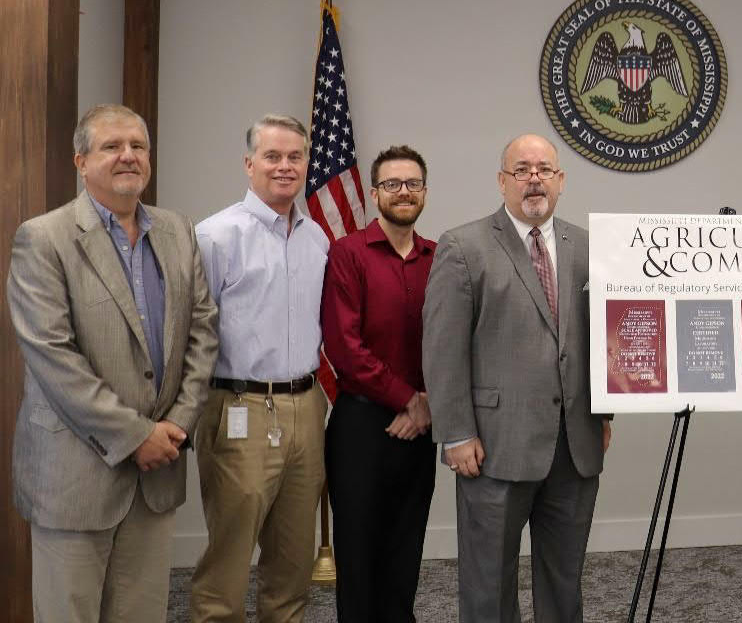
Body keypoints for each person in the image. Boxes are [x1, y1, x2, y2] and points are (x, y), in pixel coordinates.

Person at [7, 104, 218, 622]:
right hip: (75, 477)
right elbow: (54, 357)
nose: (128, 156)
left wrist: (176, 424)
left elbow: (203, 332)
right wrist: (136, 436)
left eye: (138, 146)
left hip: (158, 472)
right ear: (81, 161)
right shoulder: (44, 237)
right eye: (112, 146)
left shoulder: (178, 231)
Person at [423, 133, 611, 623]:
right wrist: (455, 432)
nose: (534, 179)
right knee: (488, 583)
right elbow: (442, 351)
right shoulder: (463, 247)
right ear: (502, 181)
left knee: (565, 580)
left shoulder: (588, 247)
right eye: (522, 169)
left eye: (544, 169)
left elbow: (601, 338)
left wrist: (603, 412)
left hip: (574, 445)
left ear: (561, 180)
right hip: (493, 446)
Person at [191, 114, 330, 623]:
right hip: (239, 407)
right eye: (272, 156)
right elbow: (190, 332)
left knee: (292, 560)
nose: (284, 166)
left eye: (295, 156)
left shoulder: (317, 239)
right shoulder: (215, 236)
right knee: (229, 558)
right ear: (249, 164)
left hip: (306, 407)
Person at [321, 145, 437, 622]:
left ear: (424, 192)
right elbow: (344, 348)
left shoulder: (439, 257)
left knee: (405, 552)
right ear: (374, 194)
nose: (403, 192)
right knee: (359, 556)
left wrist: (427, 406)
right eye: (392, 184)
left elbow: (453, 341)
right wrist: (409, 400)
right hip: (362, 426)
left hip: (423, 428)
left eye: (412, 183)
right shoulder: (348, 254)